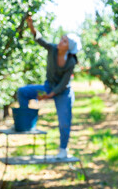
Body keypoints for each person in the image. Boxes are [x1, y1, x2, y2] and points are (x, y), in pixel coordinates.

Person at [17, 16, 82, 159]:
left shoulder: (70, 61)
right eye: (61, 39)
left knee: (64, 122)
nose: (60, 42)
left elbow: (64, 83)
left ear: (69, 46)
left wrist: (50, 95)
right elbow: (39, 39)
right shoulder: (52, 49)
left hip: (63, 92)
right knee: (22, 92)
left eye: (64, 41)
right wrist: (31, 25)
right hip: (49, 86)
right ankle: (24, 123)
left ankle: (63, 149)